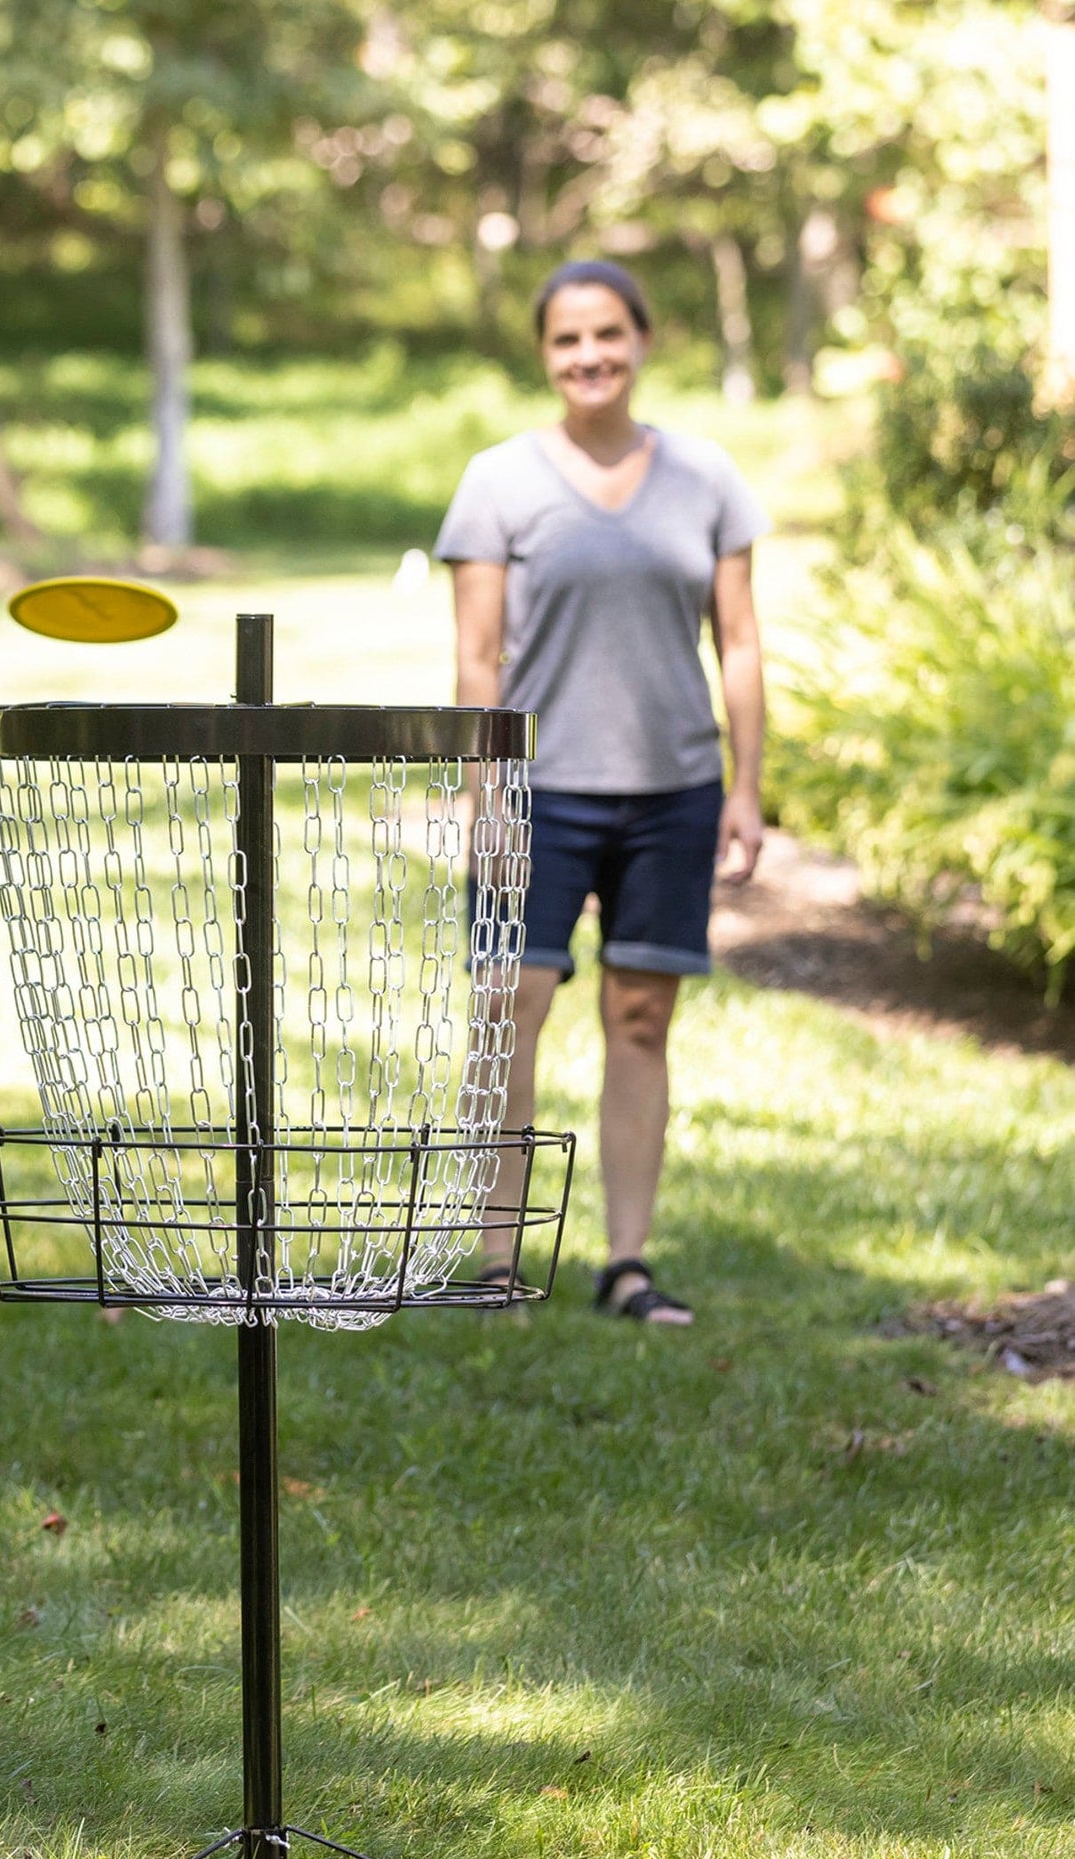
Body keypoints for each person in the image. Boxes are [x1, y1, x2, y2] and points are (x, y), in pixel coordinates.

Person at [437, 260, 770, 1325]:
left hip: (671, 788)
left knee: (639, 1020)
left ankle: (625, 1264)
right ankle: (496, 1262)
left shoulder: (705, 478)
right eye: (566, 340)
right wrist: (483, 793)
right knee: (507, 1011)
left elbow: (740, 641)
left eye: (607, 335)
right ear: (544, 355)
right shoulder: (498, 481)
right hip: (537, 790)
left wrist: (746, 788)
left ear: (640, 340)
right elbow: (475, 659)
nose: (588, 356)